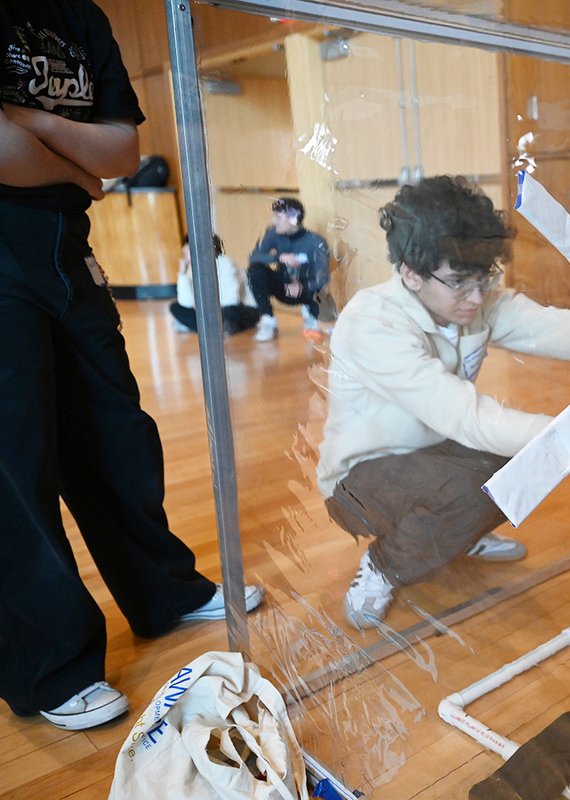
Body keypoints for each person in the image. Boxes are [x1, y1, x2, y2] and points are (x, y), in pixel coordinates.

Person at [0, 0, 262, 732]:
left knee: (117, 428)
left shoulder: (81, 15)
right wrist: (77, 165)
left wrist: (39, 126)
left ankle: (162, 591)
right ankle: (50, 663)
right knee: (14, 457)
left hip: (63, 238)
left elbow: (121, 152)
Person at [316, 176, 570, 630]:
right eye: (458, 283)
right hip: (358, 480)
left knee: (521, 467)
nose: (475, 298)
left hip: (432, 451)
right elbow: (466, 416)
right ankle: (384, 564)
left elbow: (546, 325)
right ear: (410, 273)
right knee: (471, 491)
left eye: (482, 279)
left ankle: (450, 536)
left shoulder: (469, 298)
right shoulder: (372, 323)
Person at [247, 196, 331, 343]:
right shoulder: (273, 233)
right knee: (255, 270)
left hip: (306, 291)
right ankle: (268, 319)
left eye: (278, 217)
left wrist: (303, 286)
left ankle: (311, 316)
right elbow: (255, 257)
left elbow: (323, 277)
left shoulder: (316, 242)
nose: (274, 221)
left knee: (319, 294)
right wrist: (279, 258)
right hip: (283, 286)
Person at [170, 234, 261, 336]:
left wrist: (204, 308)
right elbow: (185, 302)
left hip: (243, 309)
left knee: (228, 312)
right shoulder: (193, 269)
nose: (184, 252)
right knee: (176, 308)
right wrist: (182, 274)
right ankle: (221, 327)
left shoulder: (224, 263)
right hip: (214, 313)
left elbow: (231, 300)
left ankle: (207, 327)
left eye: (187, 249)